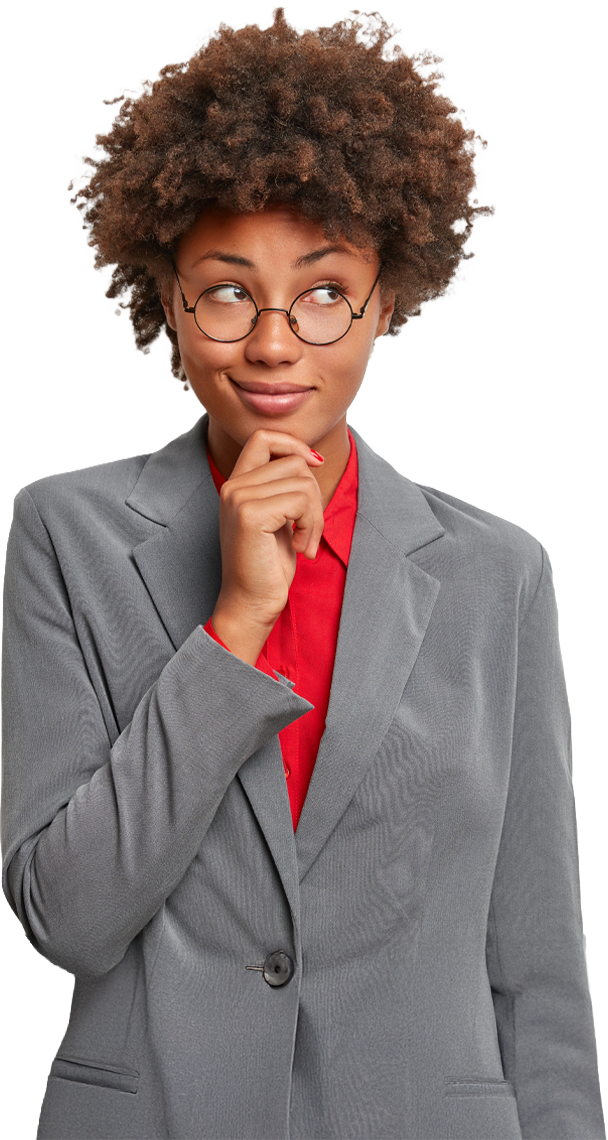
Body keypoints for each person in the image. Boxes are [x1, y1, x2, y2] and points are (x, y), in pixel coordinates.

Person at [1, 10, 605, 1140]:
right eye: (227, 291)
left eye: (324, 291)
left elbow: (532, 968)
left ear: (388, 301)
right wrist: (233, 625)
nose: (274, 343)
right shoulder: (65, 536)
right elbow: (70, 917)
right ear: (168, 307)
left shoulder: (497, 575)